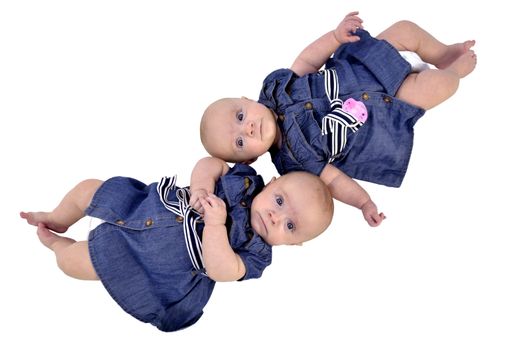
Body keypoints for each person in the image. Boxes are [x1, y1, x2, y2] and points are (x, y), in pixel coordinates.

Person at [200, 11, 477, 227]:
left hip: (365, 64)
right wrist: (363, 203)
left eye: (240, 116)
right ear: (249, 159)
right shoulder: (292, 163)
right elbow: (333, 181)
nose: (247, 128)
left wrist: (334, 37)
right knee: (440, 86)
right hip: (381, 114)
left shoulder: (275, 87)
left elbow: (308, 61)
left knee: (405, 30)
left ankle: (442, 53)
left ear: (246, 101)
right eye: (239, 141)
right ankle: (455, 71)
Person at [20, 157, 333, 332]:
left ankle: (58, 246)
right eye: (279, 200)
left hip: (149, 266)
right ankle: (57, 216)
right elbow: (210, 164)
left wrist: (214, 226)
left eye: (290, 226)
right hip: (144, 206)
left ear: (295, 244)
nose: (276, 217)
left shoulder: (256, 255)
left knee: (75, 262)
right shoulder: (246, 181)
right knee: (89, 189)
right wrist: (200, 187)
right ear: (273, 182)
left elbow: (222, 269)